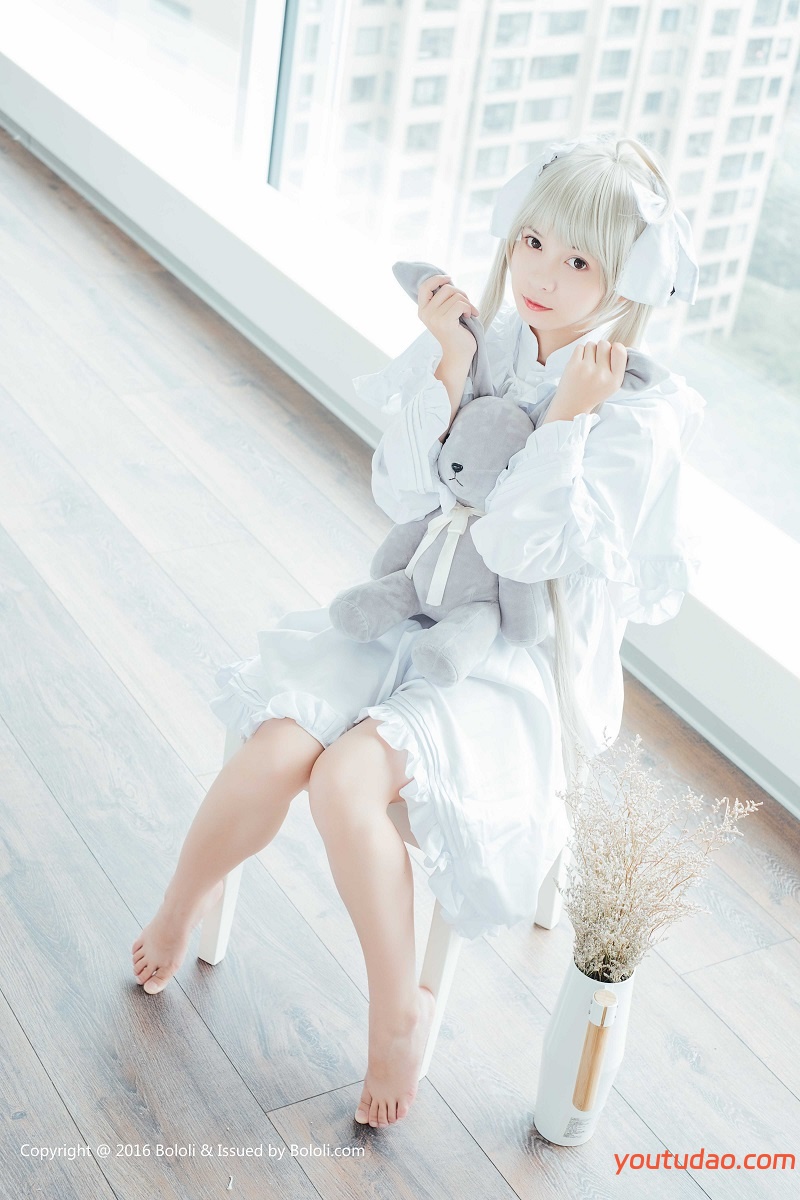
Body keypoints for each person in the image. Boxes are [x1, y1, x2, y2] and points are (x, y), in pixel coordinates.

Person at [131, 134, 705, 1130]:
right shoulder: (479, 336)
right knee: (280, 745)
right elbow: (401, 494)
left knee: (346, 778)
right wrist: (448, 363)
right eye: (533, 242)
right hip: (416, 602)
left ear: (626, 281)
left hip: (511, 658)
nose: (541, 276)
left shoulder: (633, 411)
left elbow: (523, 552)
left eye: (579, 261)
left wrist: (568, 420)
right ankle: (181, 904)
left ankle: (396, 1009)